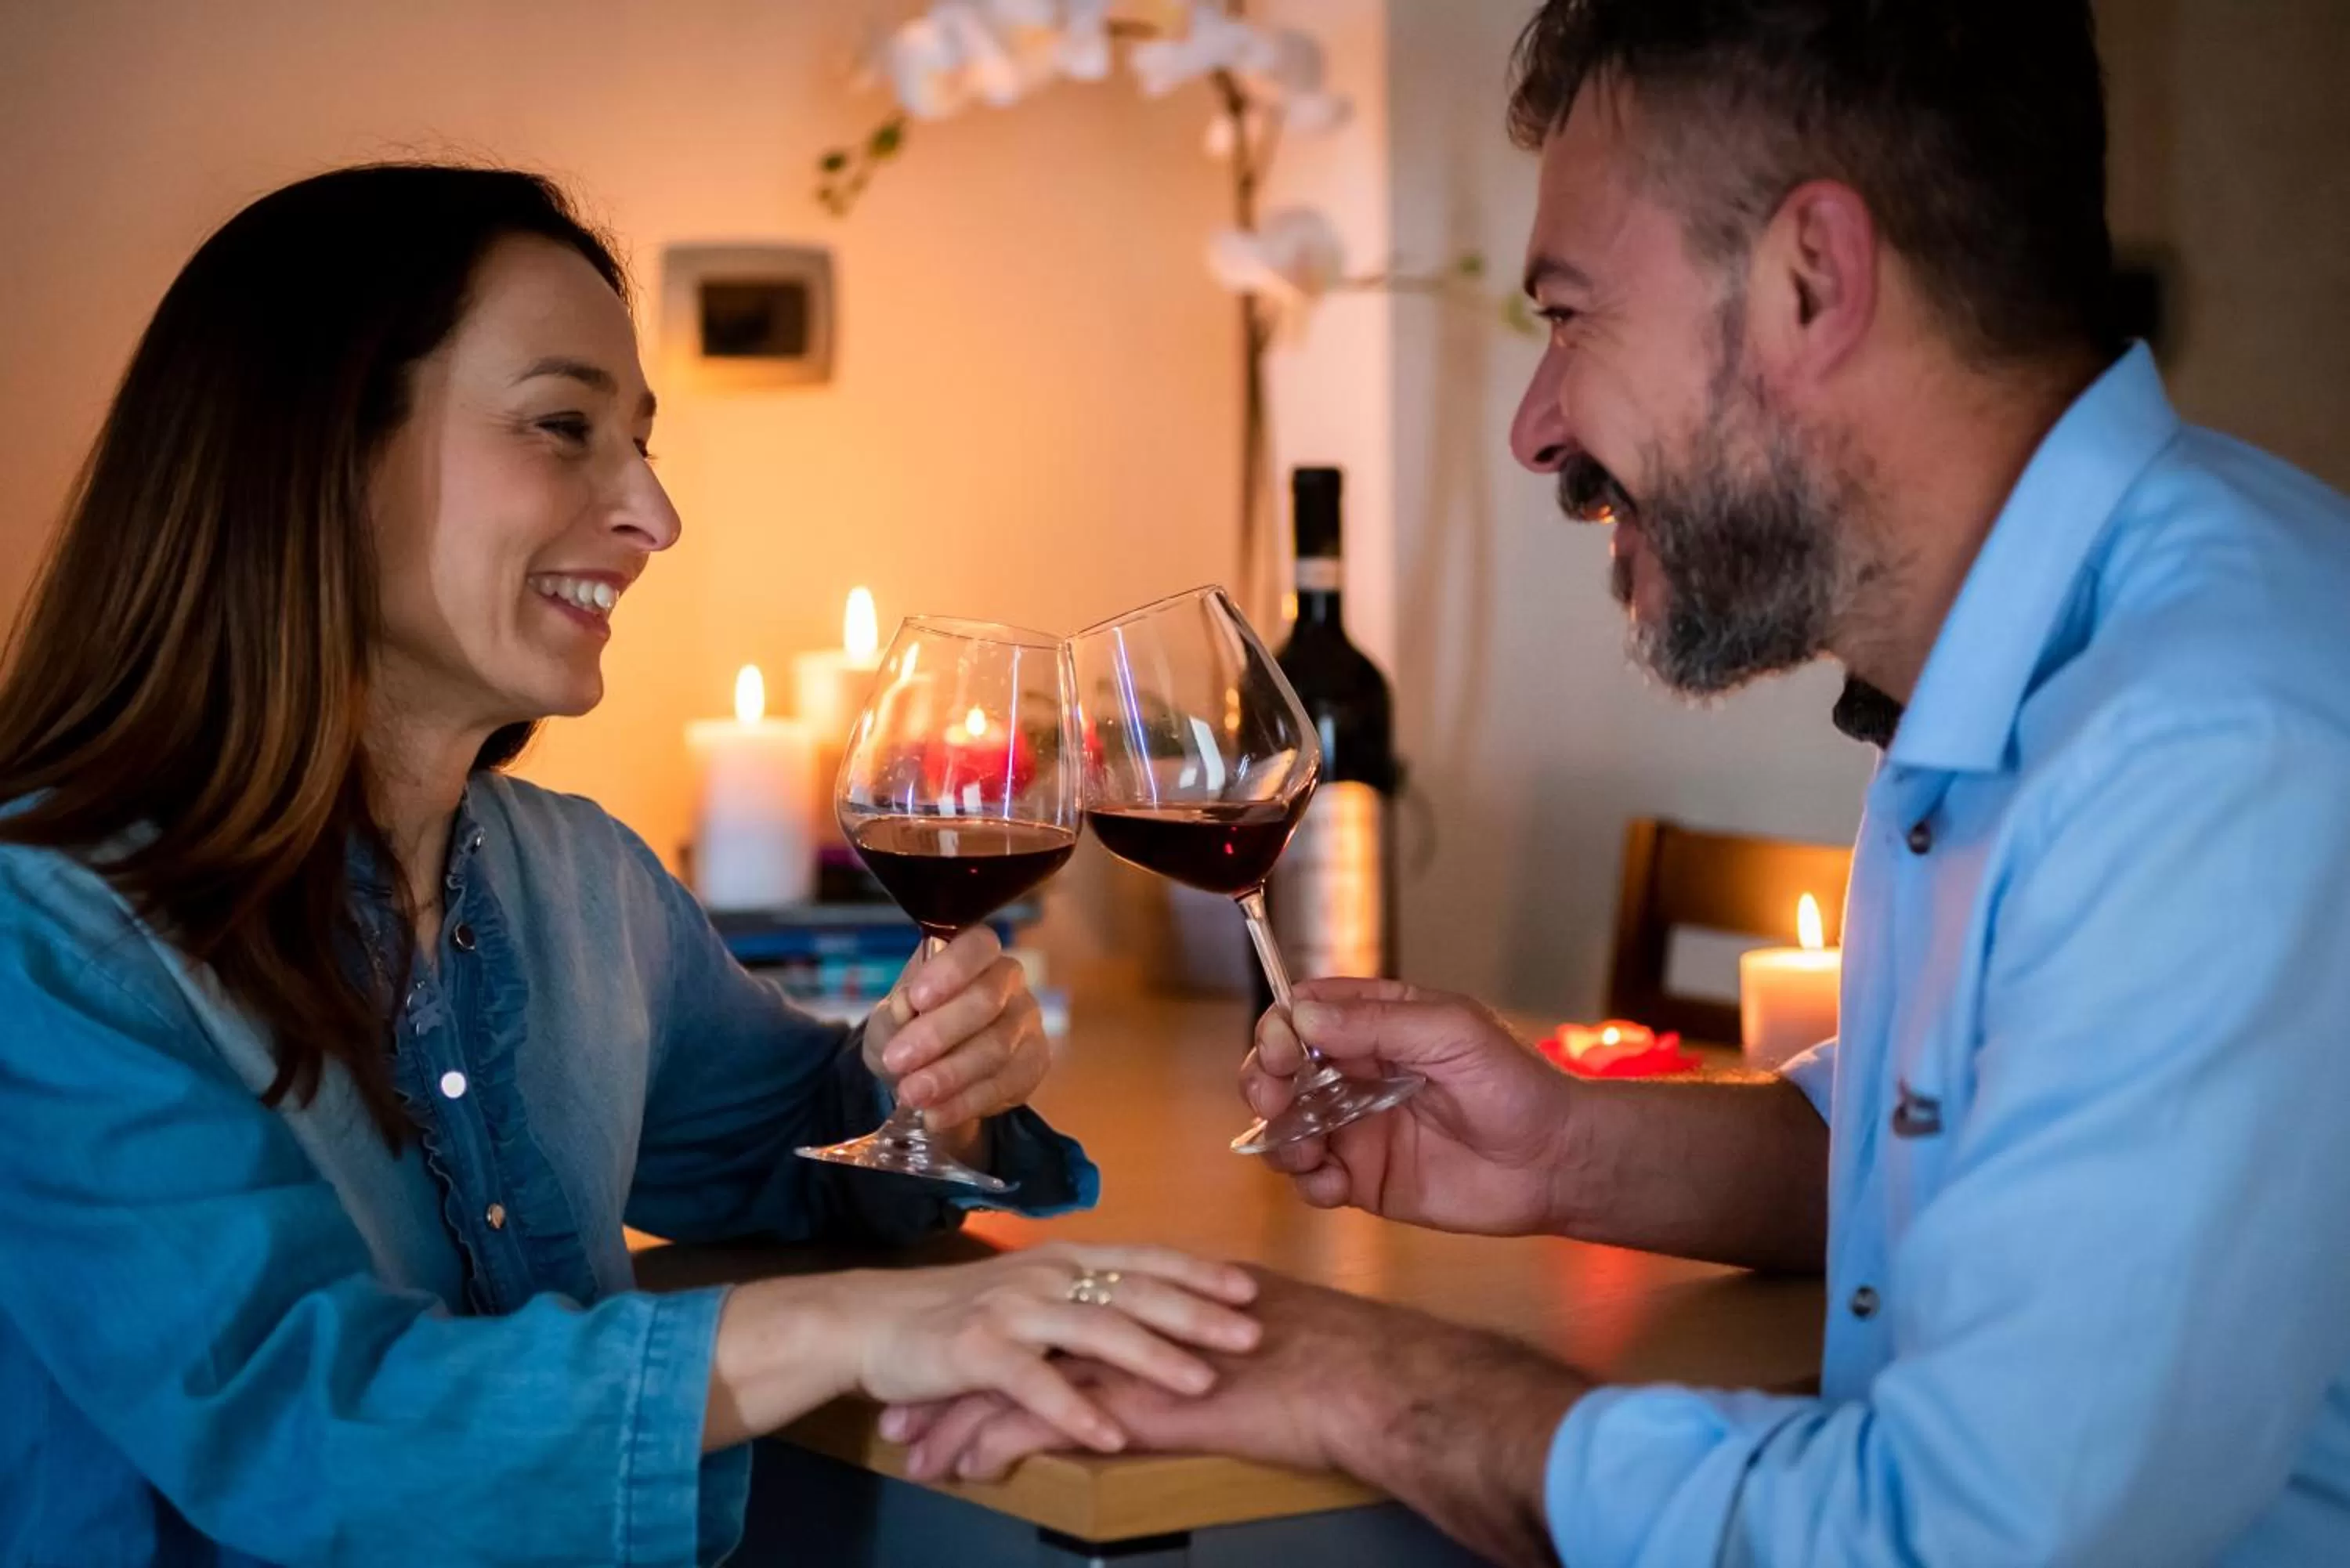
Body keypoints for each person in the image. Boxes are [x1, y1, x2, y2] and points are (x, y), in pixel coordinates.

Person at [883, 2, 2350, 1563]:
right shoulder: (2061, 654)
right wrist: (1565, 1145)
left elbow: (1948, 1539)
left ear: (1813, 280)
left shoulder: (2208, 744)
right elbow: (1947, 1150)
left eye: (1570, 316)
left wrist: (1373, 1379)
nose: (1536, 430)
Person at [0, 164, 1262, 1567]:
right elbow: (304, 1421)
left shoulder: (579, 882)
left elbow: (794, 1157)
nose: (655, 516)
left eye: (644, 445)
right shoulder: (43, 937)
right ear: (316, 457)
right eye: (564, 427)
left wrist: (933, 1086)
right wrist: (850, 1325)